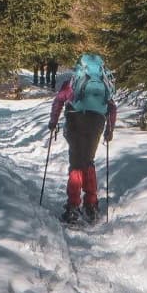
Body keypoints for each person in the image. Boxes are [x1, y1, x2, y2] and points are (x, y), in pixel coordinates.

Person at [48, 52, 116, 223]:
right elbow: (112, 107)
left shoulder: (73, 82)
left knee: (76, 163)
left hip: (75, 121)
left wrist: (53, 121)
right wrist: (109, 129)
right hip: (97, 122)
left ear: (80, 67)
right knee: (88, 160)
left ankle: (73, 206)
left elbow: (59, 101)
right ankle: (91, 204)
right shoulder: (102, 81)